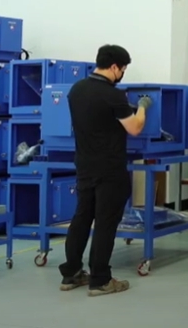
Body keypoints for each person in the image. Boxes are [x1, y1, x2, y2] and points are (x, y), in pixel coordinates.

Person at [58, 44, 149, 296]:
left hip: (84, 164)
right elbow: (135, 128)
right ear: (115, 67)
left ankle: (71, 273)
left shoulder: (76, 90)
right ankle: (100, 279)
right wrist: (142, 106)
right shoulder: (113, 95)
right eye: (123, 69)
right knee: (105, 223)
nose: (123, 74)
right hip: (110, 168)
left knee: (81, 218)